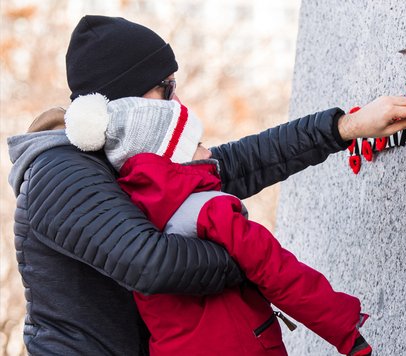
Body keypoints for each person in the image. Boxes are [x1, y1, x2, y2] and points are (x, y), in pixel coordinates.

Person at [6, 15, 406, 355]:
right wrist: (247, 249)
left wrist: (346, 127)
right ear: (124, 100)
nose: (176, 102)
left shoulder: (126, 167)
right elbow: (152, 264)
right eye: (166, 88)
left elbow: (236, 165)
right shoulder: (59, 173)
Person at [64, 93, 372, 355]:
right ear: (176, 156)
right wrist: (346, 330)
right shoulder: (212, 208)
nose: (210, 152)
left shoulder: (131, 220)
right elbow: (280, 273)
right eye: (197, 143)